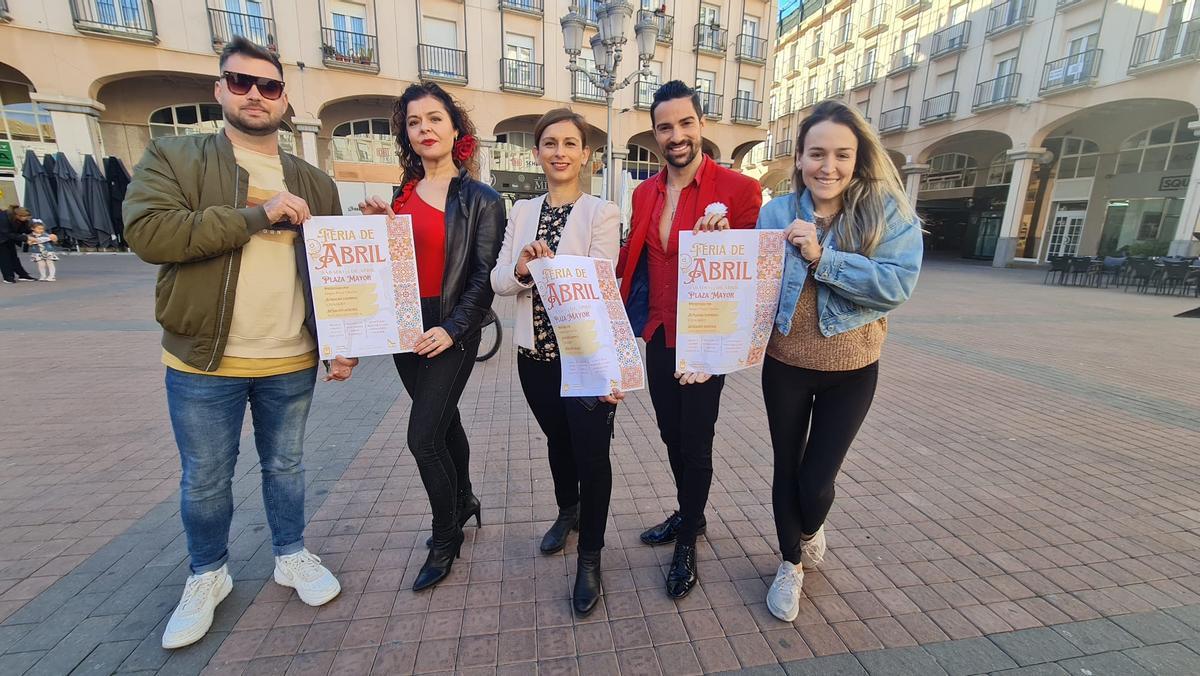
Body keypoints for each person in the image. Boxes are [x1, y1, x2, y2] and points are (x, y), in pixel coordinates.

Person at [124, 37, 358, 650]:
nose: (255, 94)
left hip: (290, 357)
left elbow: (331, 274)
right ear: (219, 89)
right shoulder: (176, 156)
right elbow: (151, 233)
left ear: (284, 99)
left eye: (270, 86)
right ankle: (207, 575)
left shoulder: (313, 179)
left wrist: (342, 340)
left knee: (287, 467)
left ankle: (291, 554)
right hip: (204, 359)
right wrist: (260, 215)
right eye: (241, 81)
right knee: (205, 477)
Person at [756, 100, 922, 622]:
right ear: (799, 158)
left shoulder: (885, 211)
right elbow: (752, 285)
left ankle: (808, 528)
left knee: (817, 479)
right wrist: (723, 242)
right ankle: (790, 564)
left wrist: (822, 257)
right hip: (784, 364)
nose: (828, 166)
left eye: (842, 155)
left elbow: (897, 285)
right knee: (787, 466)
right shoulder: (776, 213)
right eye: (817, 154)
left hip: (852, 370)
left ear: (858, 158)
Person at [617, 80, 762, 599]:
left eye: (685, 123)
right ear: (655, 133)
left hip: (704, 337)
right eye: (664, 126)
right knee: (670, 434)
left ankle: (688, 539)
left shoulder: (739, 190)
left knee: (696, 440)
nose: (675, 135)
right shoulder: (643, 192)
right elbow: (630, 260)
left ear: (701, 125)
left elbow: (750, 271)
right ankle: (689, 513)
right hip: (658, 331)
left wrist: (728, 240)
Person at [358, 81, 504, 592]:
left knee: (422, 437)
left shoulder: (482, 198)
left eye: (435, 118)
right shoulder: (401, 195)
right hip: (405, 325)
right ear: (407, 132)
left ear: (454, 127)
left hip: (451, 326)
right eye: (414, 121)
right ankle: (464, 499)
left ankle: (447, 538)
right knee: (443, 423)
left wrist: (452, 328)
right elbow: (390, 267)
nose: (425, 128)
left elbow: (484, 277)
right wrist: (379, 230)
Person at [490, 108, 622, 616]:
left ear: (584, 154)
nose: (559, 152)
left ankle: (591, 556)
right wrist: (524, 267)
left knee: (592, 455)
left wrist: (557, 267)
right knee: (557, 442)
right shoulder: (522, 211)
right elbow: (500, 281)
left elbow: (600, 282)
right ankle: (568, 512)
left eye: (570, 143)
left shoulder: (601, 213)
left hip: (584, 359)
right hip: (535, 357)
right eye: (550, 143)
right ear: (537, 152)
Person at [0, 206, 37, 283]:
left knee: (14, 257)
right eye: (26, 217)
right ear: (18, 216)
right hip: (2, 238)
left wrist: (33, 232)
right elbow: (7, 233)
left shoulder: (20, 219)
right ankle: (8, 277)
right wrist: (26, 238)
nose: (27, 219)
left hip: (9, 237)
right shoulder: (3, 218)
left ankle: (22, 275)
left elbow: (25, 229)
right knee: (4, 258)